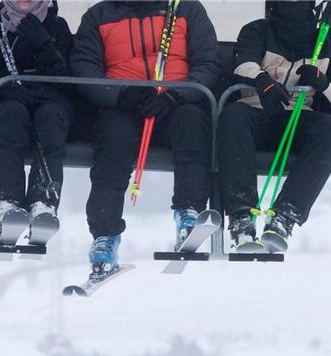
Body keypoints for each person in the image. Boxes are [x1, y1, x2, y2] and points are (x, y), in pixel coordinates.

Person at [70, 0, 220, 276]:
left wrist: (179, 94)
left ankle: (189, 212)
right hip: (124, 104)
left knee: (192, 126)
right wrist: (119, 94)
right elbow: (84, 67)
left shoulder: (186, 8)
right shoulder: (99, 15)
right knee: (113, 144)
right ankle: (105, 234)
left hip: (174, 101)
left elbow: (208, 61)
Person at [217, 0, 331, 253]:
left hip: (298, 119)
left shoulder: (326, 43)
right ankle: (241, 216)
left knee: (330, 130)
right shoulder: (258, 30)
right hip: (257, 113)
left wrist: (323, 83)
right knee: (233, 116)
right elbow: (242, 63)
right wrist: (262, 81)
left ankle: (285, 216)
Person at [0, 0, 73, 246]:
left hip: (48, 96)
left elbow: (66, 76)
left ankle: (44, 202)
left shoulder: (56, 26)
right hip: (7, 95)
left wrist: (45, 45)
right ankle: (6, 201)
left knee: (50, 122)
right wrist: (5, 89)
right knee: (10, 119)